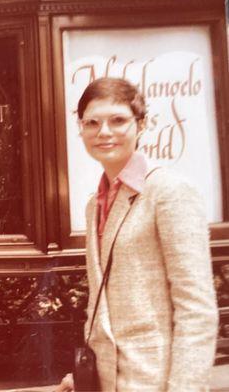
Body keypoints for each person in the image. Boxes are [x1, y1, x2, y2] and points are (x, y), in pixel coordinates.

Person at [56, 77, 219, 391]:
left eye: (118, 120)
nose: (104, 132)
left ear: (141, 125)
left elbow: (196, 309)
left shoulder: (169, 192)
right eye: (92, 122)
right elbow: (103, 304)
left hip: (155, 380)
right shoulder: (95, 203)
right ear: (81, 129)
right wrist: (85, 375)